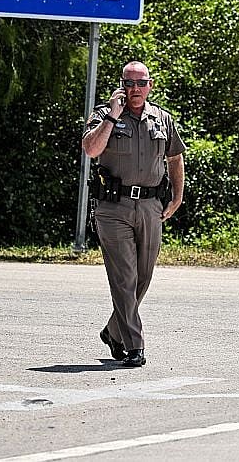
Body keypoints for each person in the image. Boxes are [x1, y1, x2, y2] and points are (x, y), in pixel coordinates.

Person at [82, 61, 186, 367]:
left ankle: (113, 331)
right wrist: (113, 116)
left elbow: (175, 157)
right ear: (121, 85)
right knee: (124, 278)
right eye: (129, 84)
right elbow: (90, 149)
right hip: (114, 208)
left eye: (141, 84)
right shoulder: (104, 114)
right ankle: (133, 345)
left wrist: (177, 197)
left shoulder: (162, 118)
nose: (135, 90)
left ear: (150, 86)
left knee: (143, 276)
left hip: (151, 207)